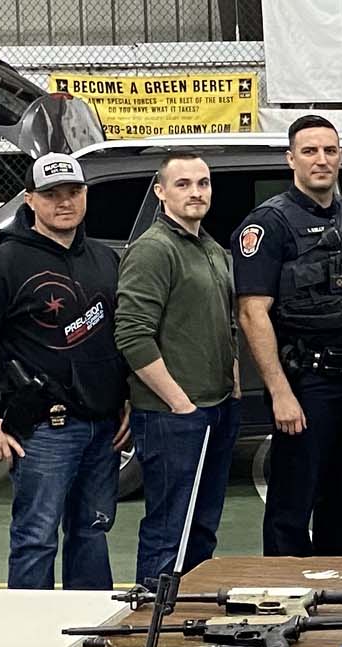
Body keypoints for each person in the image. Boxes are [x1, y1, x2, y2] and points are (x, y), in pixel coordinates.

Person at [0, 153, 130, 591]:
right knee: (36, 537)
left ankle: (88, 629)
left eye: (73, 192)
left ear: (85, 195)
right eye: (51, 195)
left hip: (102, 425)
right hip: (44, 430)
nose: (64, 202)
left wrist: (127, 398)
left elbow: (119, 337)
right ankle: (28, 636)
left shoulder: (106, 261)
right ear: (30, 200)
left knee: (92, 531)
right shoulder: (2, 266)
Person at [232, 114, 342, 557]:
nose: (322, 160)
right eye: (310, 151)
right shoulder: (269, 224)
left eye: (330, 151)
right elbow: (251, 313)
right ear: (291, 159)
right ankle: (284, 598)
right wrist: (280, 393)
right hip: (308, 380)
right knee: (293, 503)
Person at [115, 151, 242, 584]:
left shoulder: (211, 248)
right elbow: (132, 334)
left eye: (202, 183)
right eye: (183, 184)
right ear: (161, 192)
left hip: (219, 408)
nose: (195, 192)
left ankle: (188, 609)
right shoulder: (154, 249)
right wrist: (180, 403)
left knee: (201, 527)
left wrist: (234, 385)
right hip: (176, 417)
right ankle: (151, 620)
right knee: (170, 529)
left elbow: (225, 322)